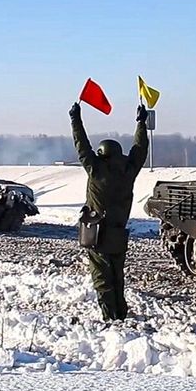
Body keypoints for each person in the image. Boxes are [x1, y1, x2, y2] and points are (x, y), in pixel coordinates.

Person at [70, 101, 149, 321]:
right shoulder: (128, 171)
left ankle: (110, 316)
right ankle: (120, 314)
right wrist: (141, 123)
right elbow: (139, 150)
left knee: (102, 277)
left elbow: (81, 145)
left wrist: (75, 119)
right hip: (118, 231)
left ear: (102, 153)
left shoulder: (96, 170)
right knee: (117, 275)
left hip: (97, 232)